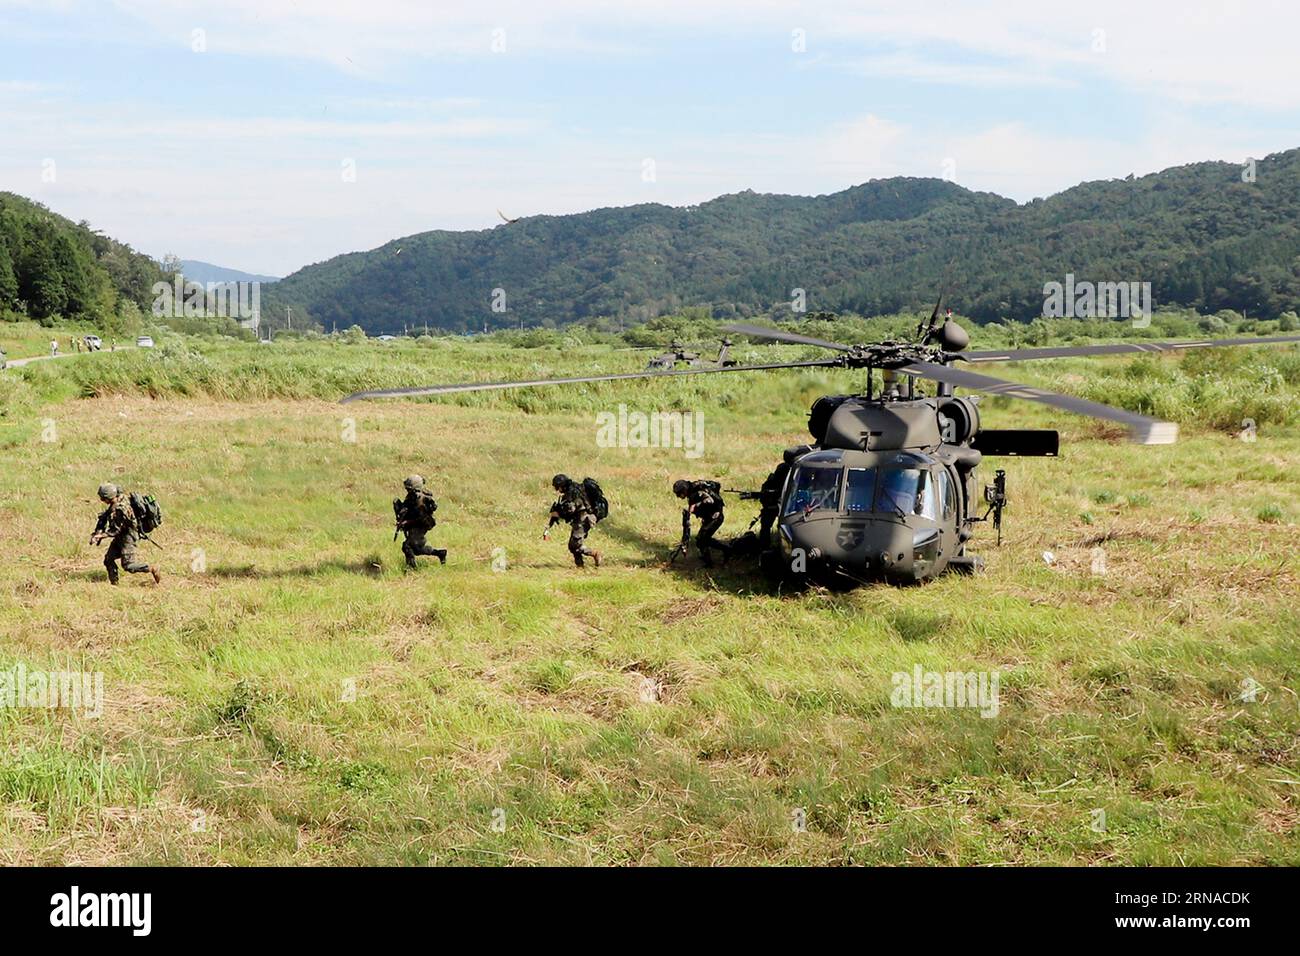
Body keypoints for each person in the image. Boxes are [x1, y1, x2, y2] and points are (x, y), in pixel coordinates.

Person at [91, 484, 161, 586]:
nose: (102, 500)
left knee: (128, 565)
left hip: (129, 538)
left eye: (103, 498)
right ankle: (114, 584)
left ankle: (152, 568)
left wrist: (101, 536)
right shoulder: (118, 500)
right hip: (121, 536)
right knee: (108, 559)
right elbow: (104, 517)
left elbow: (115, 530)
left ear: (108, 497)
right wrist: (98, 532)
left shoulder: (120, 509)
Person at [545, 474, 601, 567]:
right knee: (572, 546)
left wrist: (559, 513)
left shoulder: (573, 493)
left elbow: (571, 509)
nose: (558, 490)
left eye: (558, 487)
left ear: (562, 485)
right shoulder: (574, 489)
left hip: (584, 519)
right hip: (580, 519)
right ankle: (580, 566)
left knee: (575, 545)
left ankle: (595, 553)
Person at [673, 479, 731, 567]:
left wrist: (696, 506)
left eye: (679, 493)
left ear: (684, 490)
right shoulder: (692, 492)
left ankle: (724, 551)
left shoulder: (697, 491)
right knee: (701, 540)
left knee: (702, 540)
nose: (678, 496)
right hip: (709, 518)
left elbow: (710, 501)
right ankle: (711, 560)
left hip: (715, 517)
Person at [394, 474, 446, 569]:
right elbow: (407, 507)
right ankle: (440, 553)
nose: (407, 491)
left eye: (409, 489)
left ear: (415, 489)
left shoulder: (421, 501)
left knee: (407, 546)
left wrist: (407, 522)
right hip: (415, 523)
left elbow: (420, 519)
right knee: (417, 549)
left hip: (422, 525)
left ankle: (411, 570)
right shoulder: (411, 496)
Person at [757, 461, 790, 550]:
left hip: (784, 507)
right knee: (765, 526)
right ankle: (764, 546)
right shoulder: (771, 482)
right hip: (772, 507)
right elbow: (763, 498)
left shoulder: (789, 483)